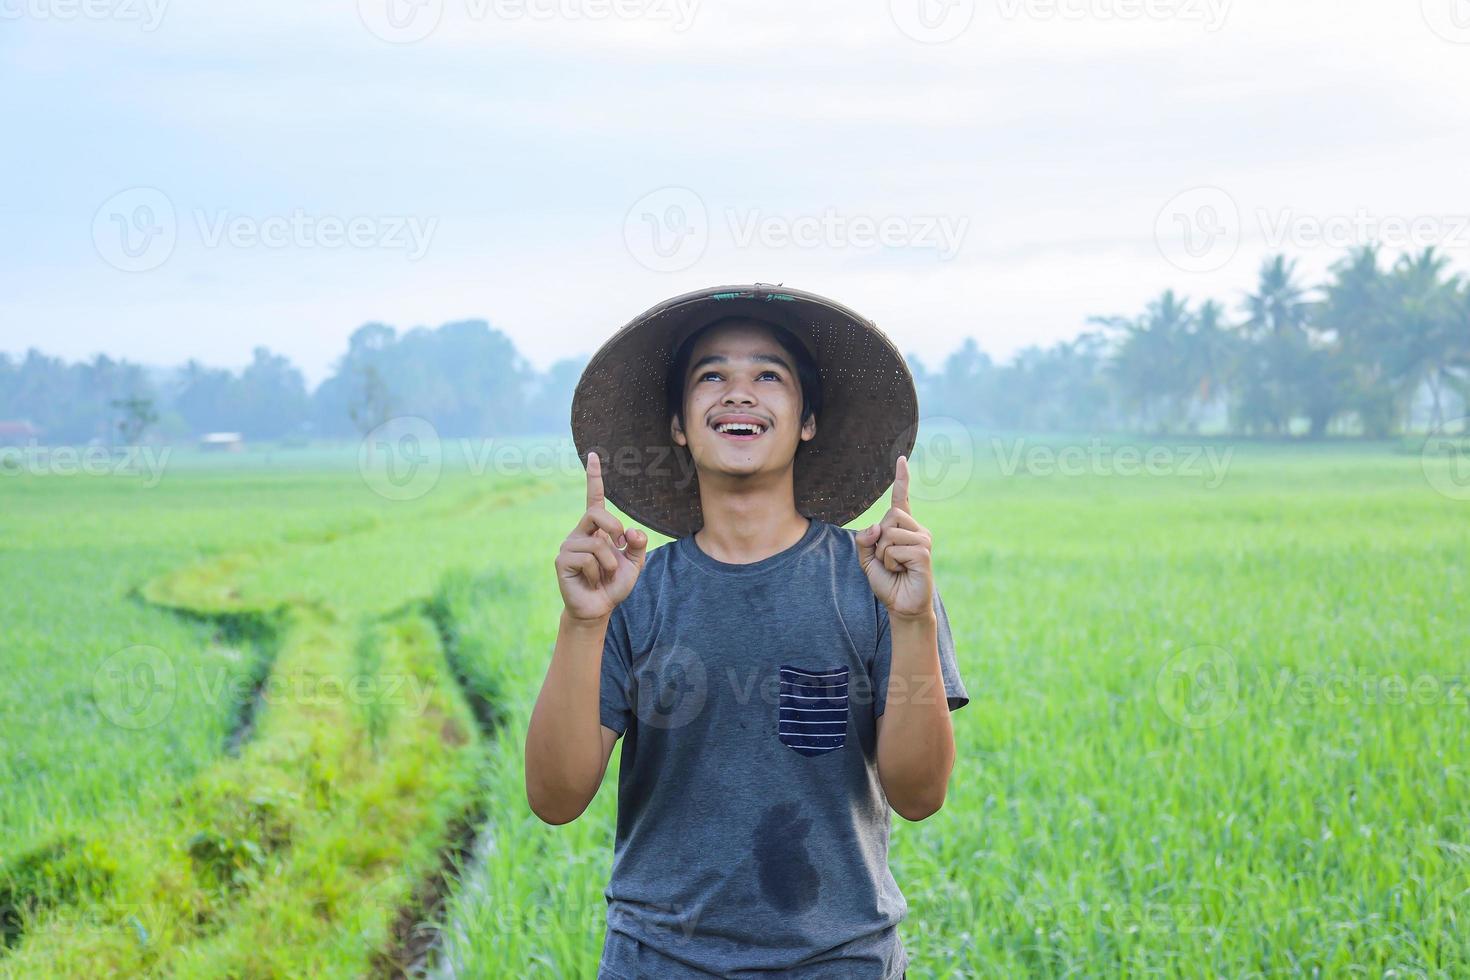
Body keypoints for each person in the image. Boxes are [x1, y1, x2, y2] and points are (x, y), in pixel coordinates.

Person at [524, 285, 969, 979]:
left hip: (842, 960)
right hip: (657, 961)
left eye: (768, 375)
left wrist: (911, 619)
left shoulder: (879, 582)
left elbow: (920, 796)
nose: (739, 393)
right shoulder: (631, 592)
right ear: (678, 423)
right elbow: (554, 799)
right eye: (711, 375)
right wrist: (583, 621)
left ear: (808, 419)